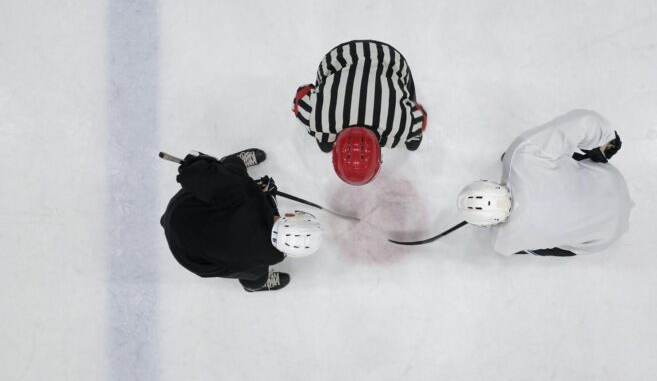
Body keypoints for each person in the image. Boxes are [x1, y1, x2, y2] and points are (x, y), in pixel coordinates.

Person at [456, 110, 631, 256]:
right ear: (487, 183)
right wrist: (606, 141)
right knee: (551, 158)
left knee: (536, 245)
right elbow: (585, 123)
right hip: (611, 181)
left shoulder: (501, 242)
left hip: (608, 235)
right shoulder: (522, 156)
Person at [160, 149, 322, 291]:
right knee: (255, 272)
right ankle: (254, 284)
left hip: (180, 213)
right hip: (188, 254)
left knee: (231, 168)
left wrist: (238, 177)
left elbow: (193, 176)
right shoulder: (263, 258)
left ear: (291, 216)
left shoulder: (243, 194)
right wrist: (263, 197)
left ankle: (229, 161)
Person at [293, 39, 428, 185]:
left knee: (412, 138)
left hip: (391, 60)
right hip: (339, 58)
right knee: (323, 137)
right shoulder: (315, 118)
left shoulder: (403, 125)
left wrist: (401, 127)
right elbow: (302, 95)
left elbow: (421, 117)